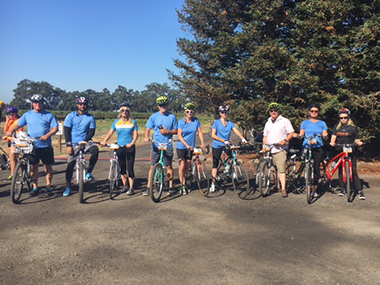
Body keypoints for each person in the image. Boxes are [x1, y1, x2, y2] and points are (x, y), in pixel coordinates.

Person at [6, 94, 58, 197]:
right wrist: (10, 130)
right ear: (32, 104)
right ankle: (35, 187)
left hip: (45, 145)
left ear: (43, 104)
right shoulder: (28, 115)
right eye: (35, 102)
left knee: (47, 166)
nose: (38, 104)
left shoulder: (49, 115)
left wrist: (47, 135)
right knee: (34, 168)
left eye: (40, 102)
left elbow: (55, 128)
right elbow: (18, 124)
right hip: (32, 146)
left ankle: (48, 186)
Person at [63, 97, 99, 197]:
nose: (82, 106)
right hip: (73, 143)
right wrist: (68, 145)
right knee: (70, 165)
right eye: (80, 104)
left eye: (84, 104)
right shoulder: (71, 116)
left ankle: (88, 173)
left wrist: (85, 142)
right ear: (77, 105)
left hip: (86, 142)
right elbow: (67, 131)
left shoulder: (90, 117)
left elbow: (91, 132)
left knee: (95, 150)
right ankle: (68, 186)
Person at [101, 103, 138, 195]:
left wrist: (132, 143)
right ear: (120, 112)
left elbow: (135, 135)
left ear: (129, 112)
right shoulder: (116, 122)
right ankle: (125, 186)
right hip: (119, 146)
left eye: (126, 111)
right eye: (123, 110)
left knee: (130, 168)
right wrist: (104, 141)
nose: (124, 112)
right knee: (122, 167)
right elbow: (110, 133)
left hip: (129, 147)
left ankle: (131, 188)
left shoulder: (133, 122)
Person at [144, 95, 178, 196]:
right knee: (152, 166)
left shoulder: (172, 117)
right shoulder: (154, 116)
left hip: (167, 144)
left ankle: (171, 186)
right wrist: (146, 137)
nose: (162, 107)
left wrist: (168, 131)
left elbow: (177, 130)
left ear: (167, 105)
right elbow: (147, 129)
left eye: (164, 105)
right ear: (158, 106)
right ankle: (148, 187)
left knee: (168, 166)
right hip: (156, 144)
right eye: (160, 105)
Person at [210, 105, 247, 193]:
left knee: (232, 156)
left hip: (227, 144)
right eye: (222, 112)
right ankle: (213, 183)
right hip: (218, 145)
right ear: (220, 113)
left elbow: (236, 130)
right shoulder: (216, 123)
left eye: (226, 112)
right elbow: (213, 135)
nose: (224, 114)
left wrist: (242, 138)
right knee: (215, 164)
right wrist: (223, 140)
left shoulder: (230, 123)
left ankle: (229, 169)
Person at [330, 108, 365, 200]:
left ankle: (359, 191)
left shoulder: (353, 128)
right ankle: (343, 189)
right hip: (340, 150)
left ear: (348, 117)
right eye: (341, 118)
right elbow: (333, 138)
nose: (343, 120)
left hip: (350, 151)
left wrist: (359, 143)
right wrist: (332, 142)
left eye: (345, 117)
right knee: (341, 170)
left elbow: (357, 139)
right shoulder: (336, 127)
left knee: (353, 170)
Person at [262, 102, 294, 198]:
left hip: (280, 149)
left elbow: (291, 133)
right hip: (270, 149)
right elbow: (265, 136)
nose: (273, 112)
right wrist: (264, 147)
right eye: (271, 111)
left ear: (278, 111)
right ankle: (277, 186)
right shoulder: (268, 122)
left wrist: (285, 140)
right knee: (273, 170)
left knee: (281, 170)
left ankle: (283, 189)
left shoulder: (284, 121)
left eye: (275, 110)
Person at [297, 104, 328, 198]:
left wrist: (325, 136)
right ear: (309, 112)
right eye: (312, 111)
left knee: (316, 168)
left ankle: (314, 189)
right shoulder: (305, 123)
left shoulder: (322, 123)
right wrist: (300, 136)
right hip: (307, 146)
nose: (314, 113)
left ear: (318, 112)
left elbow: (325, 134)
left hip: (318, 147)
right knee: (306, 165)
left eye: (316, 111)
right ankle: (306, 183)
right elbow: (301, 133)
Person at [177, 102, 206, 195]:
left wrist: (202, 143)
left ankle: (185, 180)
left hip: (191, 147)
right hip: (182, 146)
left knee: (188, 165)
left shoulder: (196, 121)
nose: (189, 113)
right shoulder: (181, 121)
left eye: (191, 111)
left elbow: (200, 132)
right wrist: (186, 145)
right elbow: (179, 135)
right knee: (182, 165)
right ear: (185, 112)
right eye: (188, 111)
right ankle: (182, 185)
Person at [2, 107, 23, 180]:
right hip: (10, 141)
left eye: (10, 114)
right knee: (14, 158)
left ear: (15, 114)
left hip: (16, 140)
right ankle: (20, 171)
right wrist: (7, 121)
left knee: (12, 156)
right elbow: (6, 130)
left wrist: (8, 134)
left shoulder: (18, 121)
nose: (9, 116)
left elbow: (17, 132)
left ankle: (13, 174)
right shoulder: (10, 121)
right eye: (7, 114)